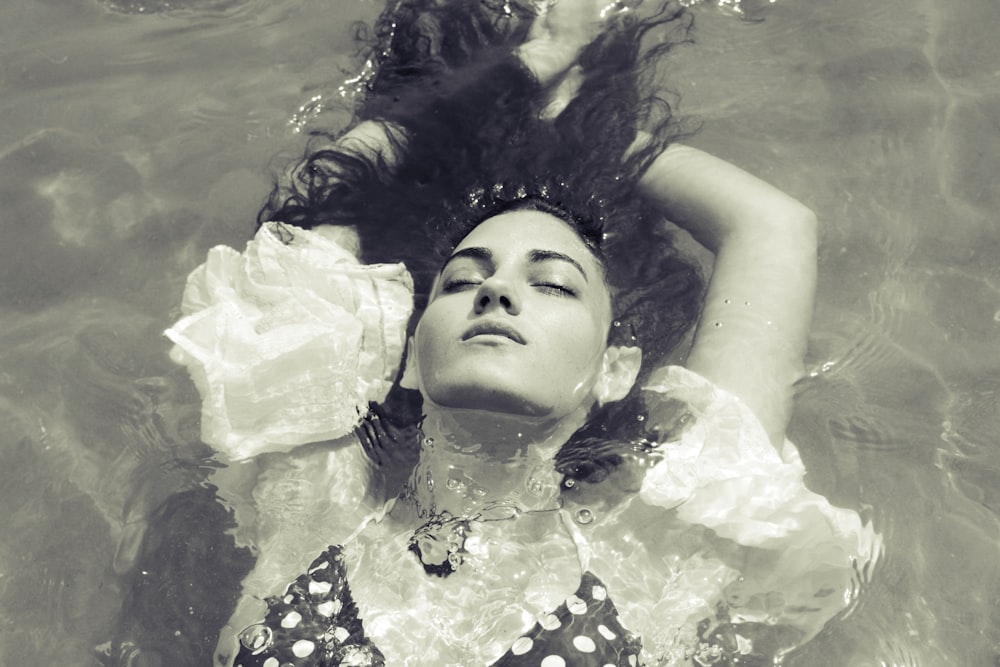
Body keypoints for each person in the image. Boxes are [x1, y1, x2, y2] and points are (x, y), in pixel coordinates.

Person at [164, 0, 879, 664]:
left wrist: (581, 142)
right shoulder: (315, 501)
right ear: (409, 354)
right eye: (462, 279)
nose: (497, 289)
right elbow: (319, 210)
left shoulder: (661, 540)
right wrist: (528, 68)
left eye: (553, 283)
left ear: (615, 367)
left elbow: (772, 228)